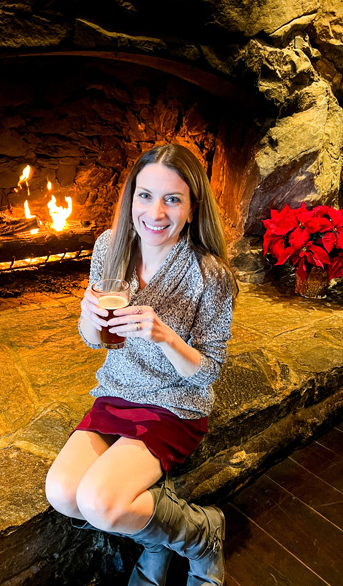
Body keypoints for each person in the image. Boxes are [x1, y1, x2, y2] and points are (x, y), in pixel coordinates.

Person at [45, 143, 236, 586]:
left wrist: (165, 335)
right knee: (63, 493)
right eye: (145, 195)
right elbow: (96, 343)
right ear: (131, 197)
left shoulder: (210, 275)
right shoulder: (110, 246)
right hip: (117, 389)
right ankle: (153, 536)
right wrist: (87, 320)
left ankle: (201, 535)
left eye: (173, 199)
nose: (156, 212)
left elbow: (207, 372)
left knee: (100, 500)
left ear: (192, 209)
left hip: (175, 402)